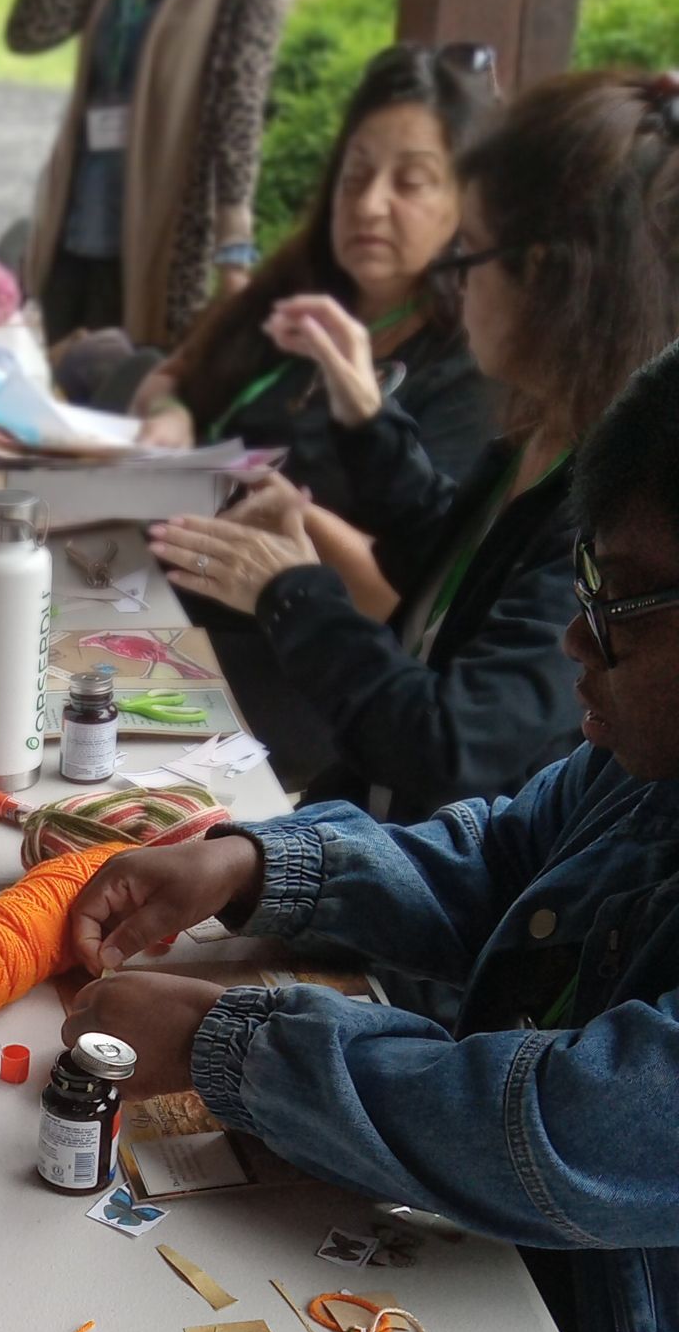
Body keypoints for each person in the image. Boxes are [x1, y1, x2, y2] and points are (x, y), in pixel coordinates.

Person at [62, 336, 679, 1332]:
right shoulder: (641, 769)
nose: (575, 644)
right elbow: (500, 857)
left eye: (624, 610)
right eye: (584, 590)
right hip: (504, 1302)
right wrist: (257, 866)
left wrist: (233, 1034)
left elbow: (572, 1124)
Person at [148, 72, 679, 823]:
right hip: (372, 835)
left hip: (436, 884)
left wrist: (291, 591)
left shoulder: (610, 512)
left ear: (545, 278)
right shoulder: (540, 438)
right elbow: (454, 570)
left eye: (467, 256)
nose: (456, 288)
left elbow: (449, 749)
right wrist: (366, 421)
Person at [129, 42, 499, 784]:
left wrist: (292, 522)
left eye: (411, 181)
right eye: (356, 175)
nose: (369, 204)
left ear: (469, 204)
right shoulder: (297, 292)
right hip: (163, 594)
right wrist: (169, 419)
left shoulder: (468, 368)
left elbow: (419, 594)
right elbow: (173, 374)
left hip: (301, 666)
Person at [7, 0, 293, 352]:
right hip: (75, 233)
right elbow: (29, 29)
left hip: (163, 243)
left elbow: (240, 101)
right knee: (48, 413)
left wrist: (233, 255)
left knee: (129, 413)